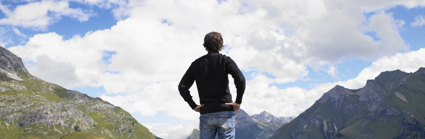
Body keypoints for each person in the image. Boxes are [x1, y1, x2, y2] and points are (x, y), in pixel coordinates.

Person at [178, 32, 246, 139]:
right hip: (225, 112)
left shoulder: (196, 64)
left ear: (205, 45)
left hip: (206, 113)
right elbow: (241, 80)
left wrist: (193, 105)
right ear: (220, 45)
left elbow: (182, 86)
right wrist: (238, 101)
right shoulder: (225, 60)